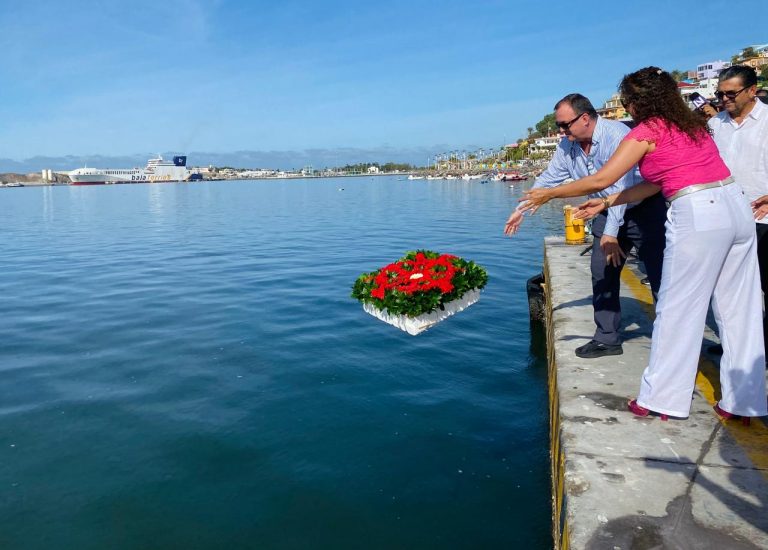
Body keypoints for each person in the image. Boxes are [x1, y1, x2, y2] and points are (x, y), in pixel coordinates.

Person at [521, 67, 767, 422]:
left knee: (676, 308)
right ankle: (744, 402)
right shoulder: (691, 125)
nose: (627, 109)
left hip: (698, 212)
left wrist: (549, 193)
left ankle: (662, 399)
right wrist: (607, 203)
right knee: (739, 308)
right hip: (736, 206)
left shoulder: (647, 131)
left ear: (638, 102)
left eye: (627, 102)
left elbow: (602, 178)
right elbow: (654, 183)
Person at [504, 93, 666, 359]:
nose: (561, 130)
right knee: (601, 270)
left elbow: (618, 185)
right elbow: (550, 178)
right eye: (559, 125)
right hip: (604, 207)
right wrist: (520, 210)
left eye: (564, 125)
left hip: (644, 209)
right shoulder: (567, 145)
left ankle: (670, 340)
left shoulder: (616, 135)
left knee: (660, 275)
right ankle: (607, 338)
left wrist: (611, 233)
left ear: (586, 118)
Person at [708, 65, 768, 357]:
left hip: (763, 218)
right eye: (720, 94)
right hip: (727, 218)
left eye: (731, 94)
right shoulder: (715, 125)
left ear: (752, 90)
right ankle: (737, 346)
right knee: (732, 289)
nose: (724, 99)